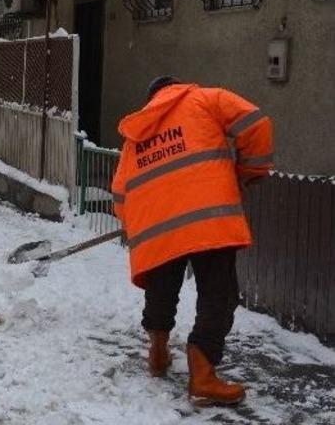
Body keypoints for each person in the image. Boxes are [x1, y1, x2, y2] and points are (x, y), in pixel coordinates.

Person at [111, 76, 273, 407]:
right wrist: (249, 172)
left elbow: (119, 194)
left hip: (160, 226)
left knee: (162, 286)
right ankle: (202, 375)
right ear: (176, 88)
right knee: (217, 293)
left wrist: (139, 224)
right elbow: (256, 121)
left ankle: (157, 352)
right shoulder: (204, 100)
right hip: (209, 217)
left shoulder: (137, 135)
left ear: (151, 100)